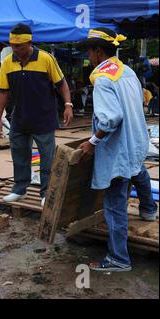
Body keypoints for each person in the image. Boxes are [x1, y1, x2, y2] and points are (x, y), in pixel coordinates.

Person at [76, 27, 158, 272]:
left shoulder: (102, 79)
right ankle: (148, 210)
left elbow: (111, 118)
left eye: (90, 52)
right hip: (136, 139)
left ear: (99, 52)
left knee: (114, 201)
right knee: (138, 170)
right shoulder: (127, 71)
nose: (88, 58)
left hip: (119, 145)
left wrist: (92, 142)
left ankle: (118, 258)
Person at [0, 23, 73, 206]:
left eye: (19, 46)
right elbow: (3, 92)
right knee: (19, 155)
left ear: (29, 42)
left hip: (43, 118)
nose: (15, 49)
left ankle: (46, 192)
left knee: (47, 158)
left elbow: (61, 84)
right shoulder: (7, 62)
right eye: (12, 45)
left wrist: (68, 105)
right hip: (19, 118)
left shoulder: (46, 59)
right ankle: (19, 189)